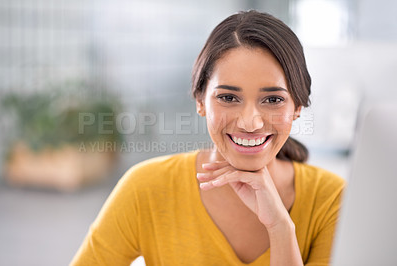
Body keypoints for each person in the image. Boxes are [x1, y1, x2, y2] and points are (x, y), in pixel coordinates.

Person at [71, 10, 345, 266]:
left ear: (297, 107)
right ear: (200, 100)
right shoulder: (145, 188)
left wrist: (280, 228)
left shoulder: (332, 199)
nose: (250, 122)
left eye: (273, 99)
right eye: (228, 97)